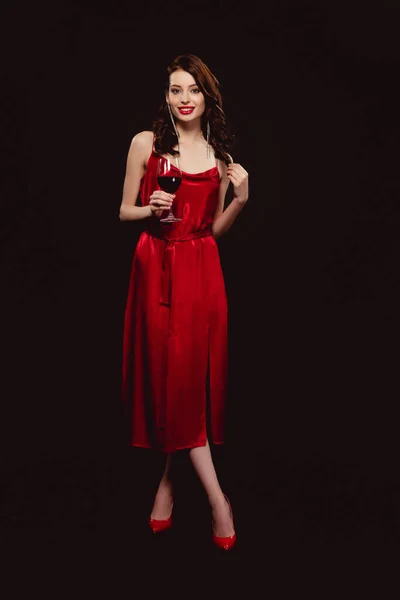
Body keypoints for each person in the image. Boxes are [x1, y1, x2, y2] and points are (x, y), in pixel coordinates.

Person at [119, 54, 248, 550]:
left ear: (206, 97)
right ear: (167, 98)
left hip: (201, 270)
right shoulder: (146, 145)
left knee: (189, 382)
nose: (185, 98)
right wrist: (148, 208)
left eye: (193, 89)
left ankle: (180, 489)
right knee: (169, 380)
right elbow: (123, 210)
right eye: (176, 90)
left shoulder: (219, 159)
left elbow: (213, 229)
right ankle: (217, 499)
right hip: (155, 265)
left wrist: (240, 198)